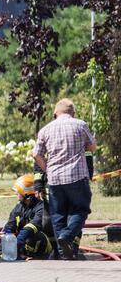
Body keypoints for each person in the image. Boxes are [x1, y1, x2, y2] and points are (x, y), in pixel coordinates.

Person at [32, 99, 96, 260]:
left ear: (55, 113)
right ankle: (67, 237)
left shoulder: (46, 129)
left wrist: (47, 168)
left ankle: (64, 253)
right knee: (80, 210)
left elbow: (36, 154)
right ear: (73, 113)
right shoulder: (80, 125)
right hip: (77, 177)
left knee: (58, 215)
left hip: (55, 180)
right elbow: (92, 146)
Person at [4, 175, 54, 260]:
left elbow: (34, 225)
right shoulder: (19, 206)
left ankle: (33, 256)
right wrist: (7, 235)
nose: (16, 193)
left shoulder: (42, 206)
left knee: (33, 236)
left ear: (26, 193)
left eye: (18, 191)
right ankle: (21, 254)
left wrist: (19, 240)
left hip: (43, 242)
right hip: (23, 240)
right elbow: (11, 223)